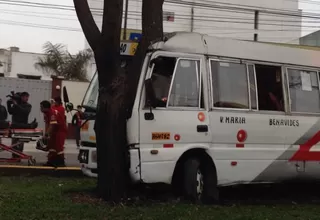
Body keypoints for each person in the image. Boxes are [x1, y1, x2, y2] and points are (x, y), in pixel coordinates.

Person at [40, 100, 67, 167]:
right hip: (54, 131)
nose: (40, 109)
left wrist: (46, 135)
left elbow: (52, 125)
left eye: (41, 107)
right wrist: (46, 134)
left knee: (58, 146)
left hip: (60, 130)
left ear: (45, 108)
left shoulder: (52, 113)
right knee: (51, 146)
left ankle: (61, 162)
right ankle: (51, 161)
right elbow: (47, 124)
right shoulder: (46, 113)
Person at [7, 92, 32, 159]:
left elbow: (25, 112)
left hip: (22, 126)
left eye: (27, 97)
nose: (26, 98)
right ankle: (14, 156)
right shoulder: (16, 104)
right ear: (21, 97)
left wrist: (16, 105)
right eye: (25, 97)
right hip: (15, 126)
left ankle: (19, 156)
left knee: (20, 142)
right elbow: (10, 111)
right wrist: (8, 103)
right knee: (14, 142)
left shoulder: (28, 105)